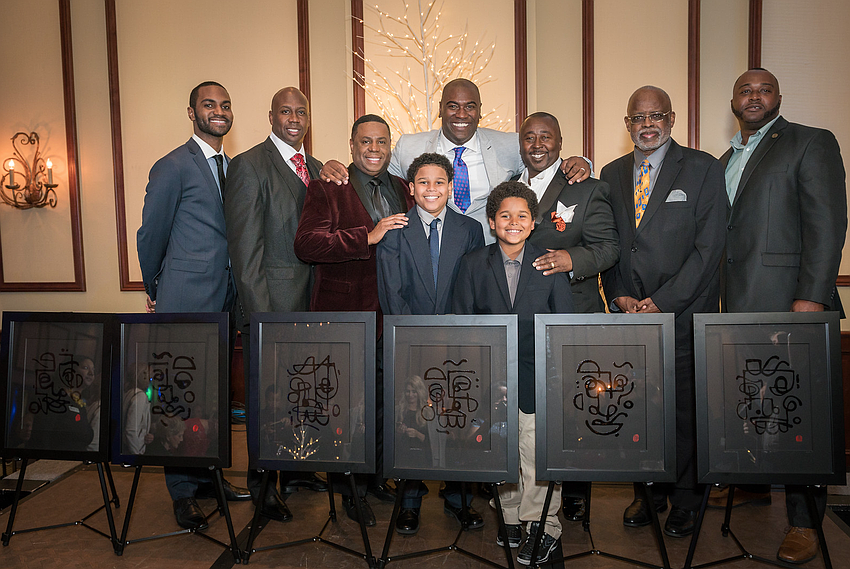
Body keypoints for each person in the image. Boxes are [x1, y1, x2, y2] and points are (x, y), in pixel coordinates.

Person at [718, 68, 846, 565]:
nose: (754, 96)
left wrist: (811, 299)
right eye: (745, 90)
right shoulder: (725, 159)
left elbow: (828, 222)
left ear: (777, 97)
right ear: (733, 101)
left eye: (763, 89)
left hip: (791, 306)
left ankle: (804, 522)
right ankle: (750, 484)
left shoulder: (810, 143)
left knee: (801, 415)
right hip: (737, 310)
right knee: (754, 403)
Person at [600, 86, 725, 538]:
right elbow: (610, 243)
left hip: (684, 313)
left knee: (684, 412)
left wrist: (665, 300)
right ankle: (648, 492)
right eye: (638, 117)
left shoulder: (703, 168)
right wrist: (617, 294)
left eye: (656, 116)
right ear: (627, 123)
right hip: (631, 317)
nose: (646, 124)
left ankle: (687, 500)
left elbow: (709, 248)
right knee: (639, 410)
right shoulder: (612, 173)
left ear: (671, 119)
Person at [136, 81, 251, 531]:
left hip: (226, 299)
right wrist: (155, 287)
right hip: (184, 299)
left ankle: (209, 478)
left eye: (225, 105)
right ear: (191, 113)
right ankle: (183, 494)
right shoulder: (171, 166)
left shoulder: (234, 168)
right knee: (180, 396)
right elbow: (151, 235)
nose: (219, 112)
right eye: (209, 105)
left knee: (215, 394)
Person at [294, 113, 414, 526]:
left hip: (393, 316)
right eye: (366, 142)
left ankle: (378, 477)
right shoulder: (328, 186)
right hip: (345, 318)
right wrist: (367, 236)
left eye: (381, 142)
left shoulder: (403, 188)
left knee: (385, 403)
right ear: (351, 145)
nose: (374, 149)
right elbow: (307, 243)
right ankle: (349, 490)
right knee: (347, 407)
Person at [452, 181, 575, 566]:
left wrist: (555, 376)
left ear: (534, 221)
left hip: (538, 374)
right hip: (492, 375)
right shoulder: (473, 263)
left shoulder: (549, 262)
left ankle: (543, 524)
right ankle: (509, 516)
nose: (513, 221)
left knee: (535, 452)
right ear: (491, 222)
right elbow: (463, 320)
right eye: (504, 215)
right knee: (501, 448)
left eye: (522, 215)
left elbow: (564, 323)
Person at [224, 86, 328, 523]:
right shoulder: (248, 166)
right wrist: (261, 318)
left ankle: (299, 469)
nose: (293, 118)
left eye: (301, 111)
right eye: (285, 111)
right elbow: (245, 254)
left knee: (302, 394)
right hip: (272, 308)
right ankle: (263, 484)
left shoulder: (319, 168)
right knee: (268, 400)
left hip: (313, 305)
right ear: (270, 116)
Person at [319, 78, 592, 243]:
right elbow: (373, 173)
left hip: (489, 252)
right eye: (453, 106)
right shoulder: (408, 147)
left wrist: (582, 163)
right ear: (440, 109)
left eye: (470, 106)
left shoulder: (508, 145)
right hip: (430, 254)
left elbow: (543, 162)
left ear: (480, 111)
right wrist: (339, 167)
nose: (461, 114)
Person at [514, 111, 619, 522]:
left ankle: (574, 491)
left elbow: (608, 248)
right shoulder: (509, 186)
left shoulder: (588, 188)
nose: (537, 144)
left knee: (573, 404)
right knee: (526, 408)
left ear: (560, 142)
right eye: (529, 137)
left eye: (546, 136)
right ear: (520, 144)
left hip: (571, 313)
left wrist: (569, 259)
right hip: (521, 319)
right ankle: (524, 491)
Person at [376, 152, 485, 534]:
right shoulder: (395, 230)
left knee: (456, 417)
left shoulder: (469, 229)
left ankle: (459, 498)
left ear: (451, 186)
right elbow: (391, 290)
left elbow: (474, 285)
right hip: (411, 341)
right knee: (412, 420)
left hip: (457, 343)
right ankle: (409, 501)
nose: (431, 189)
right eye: (423, 182)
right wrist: (413, 336)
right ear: (411, 188)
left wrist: (460, 334)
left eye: (439, 182)